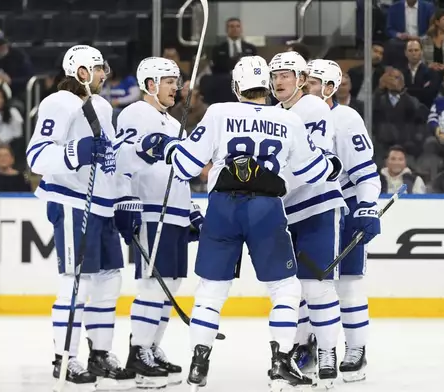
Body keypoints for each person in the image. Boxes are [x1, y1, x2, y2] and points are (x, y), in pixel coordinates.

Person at [152, 55, 342, 391]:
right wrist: (334, 166)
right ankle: (281, 363)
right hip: (267, 208)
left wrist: (170, 148)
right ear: (267, 85)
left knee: (211, 292)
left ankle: (199, 363)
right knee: (285, 289)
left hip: (223, 208)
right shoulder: (287, 120)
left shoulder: (219, 112)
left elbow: (185, 167)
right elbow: (314, 172)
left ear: (236, 86)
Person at [25, 44, 166, 390]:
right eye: (101, 69)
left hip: (101, 205)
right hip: (74, 202)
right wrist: (77, 152)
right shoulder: (58, 103)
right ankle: (65, 356)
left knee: (108, 283)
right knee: (77, 283)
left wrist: (123, 200)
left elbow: (111, 160)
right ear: (83, 72)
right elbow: (36, 156)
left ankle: (99, 353)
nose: (106, 75)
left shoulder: (102, 106)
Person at [115, 56, 203, 389]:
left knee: (172, 284)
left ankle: (151, 346)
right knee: (154, 284)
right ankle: (138, 351)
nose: (176, 87)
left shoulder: (171, 122)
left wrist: (191, 207)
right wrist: (126, 201)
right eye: (169, 81)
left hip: (175, 211)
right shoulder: (136, 113)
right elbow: (122, 159)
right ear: (150, 84)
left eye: (177, 81)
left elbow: (179, 171)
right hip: (152, 209)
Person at [268, 51, 348, 389]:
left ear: (302, 79)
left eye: (286, 74)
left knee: (317, 286)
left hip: (316, 206)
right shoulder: (270, 115)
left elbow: (309, 163)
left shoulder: (314, 108)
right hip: (284, 212)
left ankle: (328, 350)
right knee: (290, 289)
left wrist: (269, 187)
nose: (279, 81)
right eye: (275, 75)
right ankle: (302, 349)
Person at [305, 59, 381, 383]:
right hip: (307, 210)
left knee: (347, 284)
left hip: (344, 206)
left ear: (330, 87)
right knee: (309, 287)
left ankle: (356, 350)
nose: (303, 86)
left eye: (310, 82)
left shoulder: (345, 118)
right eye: (303, 80)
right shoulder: (290, 116)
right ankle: (318, 349)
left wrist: (366, 207)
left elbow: (366, 172)